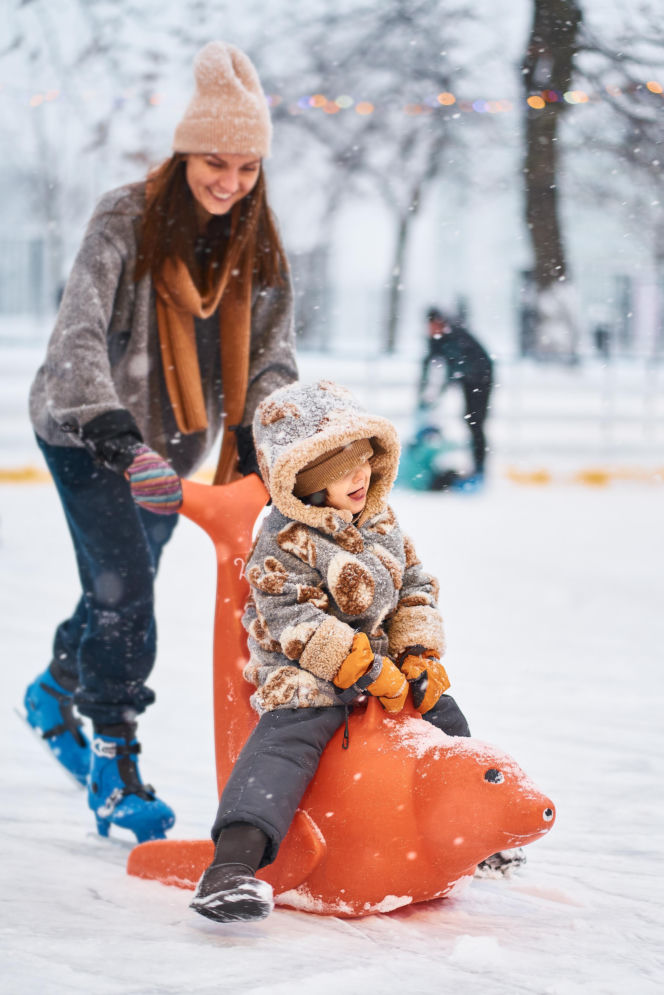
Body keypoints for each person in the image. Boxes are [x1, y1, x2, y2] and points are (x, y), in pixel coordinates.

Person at [23, 41, 297, 843]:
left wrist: (260, 423)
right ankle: (116, 763)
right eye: (217, 161)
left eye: (248, 167)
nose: (231, 181)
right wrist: (109, 426)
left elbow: (275, 352)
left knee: (120, 587)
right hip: (87, 431)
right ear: (185, 153)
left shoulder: (258, 238)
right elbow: (76, 331)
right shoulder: (127, 218)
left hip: (173, 451)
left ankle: (54, 690)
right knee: (127, 595)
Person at [188, 379, 472, 924]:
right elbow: (295, 621)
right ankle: (230, 867)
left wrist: (417, 653)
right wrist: (363, 670)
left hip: (387, 664)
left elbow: (415, 584)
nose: (361, 474)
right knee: (286, 743)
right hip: (306, 674)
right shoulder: (284, 541)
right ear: (303, 478)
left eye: (364, 456)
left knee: (445, 717)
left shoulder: (384, 524)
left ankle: (469, 829)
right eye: (341, 466)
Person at [418, 307, 493, 488]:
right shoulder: (438, 339)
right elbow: (429, 363)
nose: (431, 330)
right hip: (468, 379)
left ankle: (480, 469)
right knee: (469, 420)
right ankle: (476, 467)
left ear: (440, 323)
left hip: (481, 378)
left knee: (475, 422)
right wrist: (423, 392)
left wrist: (439, 392)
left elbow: (455, 367)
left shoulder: (456, 336)